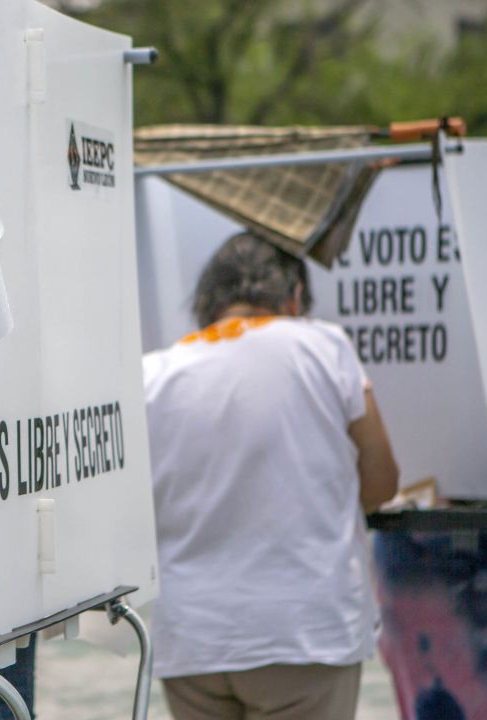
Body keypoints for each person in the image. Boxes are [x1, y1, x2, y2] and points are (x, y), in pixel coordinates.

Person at [141, 232, 399, 720]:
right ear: (295, 296)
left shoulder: (155, 373)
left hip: (193, 640)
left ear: (208, 300)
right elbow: (382, 479)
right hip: (302, 631)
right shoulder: (323, 346)